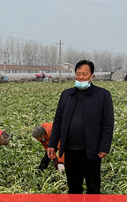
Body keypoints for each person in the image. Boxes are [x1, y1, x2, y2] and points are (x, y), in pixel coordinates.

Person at [47, 59, 114, 194]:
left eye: (84, 74)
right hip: (70, 150)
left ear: (92, 76)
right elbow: (58, 121)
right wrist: (52, 144)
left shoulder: (103, 95)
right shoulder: (67, 95)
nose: (81, 77)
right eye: (78, 74)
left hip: (92, 150)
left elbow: (108, 124)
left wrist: (104, 147)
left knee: (93, 187)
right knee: (73, 188)